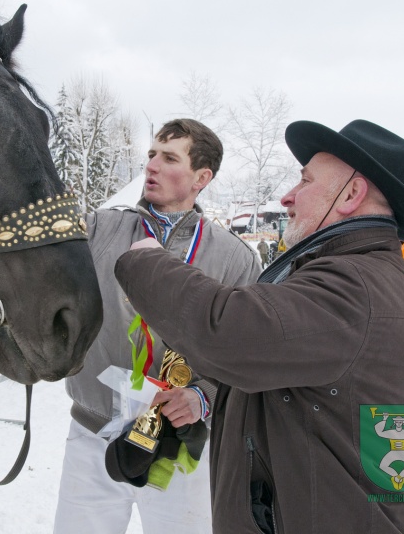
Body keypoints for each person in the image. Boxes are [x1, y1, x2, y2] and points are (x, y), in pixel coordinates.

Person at [114, 119, 404, 533]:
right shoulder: (355, 274)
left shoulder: (354, 286)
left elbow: (227, 333)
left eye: (304, 181)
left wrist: (145, 262)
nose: (287, 197)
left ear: (351, 194)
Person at [54, 119, 260, 534]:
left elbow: (250, 354)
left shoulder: (236, 259)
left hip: (180, 449)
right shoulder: (98, 229)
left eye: (169, 158)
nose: (151, 166)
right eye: (151, 155)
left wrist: (204, 396)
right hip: (94, 434)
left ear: (202, 177)